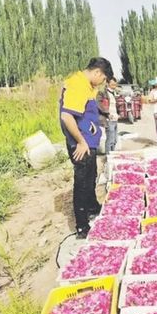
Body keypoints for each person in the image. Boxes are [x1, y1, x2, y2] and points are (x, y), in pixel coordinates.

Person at [60, 57, 114, 239]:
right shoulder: (77, 84)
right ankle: (82, 226)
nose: (103, 83)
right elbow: (67, 116)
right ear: (97, 72)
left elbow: (88, 112)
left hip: (88, 142)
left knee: (91, 175)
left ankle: (92, 207)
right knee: (82, 182)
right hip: (80, 144)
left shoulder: (87, 85)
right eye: (104, 78)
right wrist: (81, 141)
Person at [97, 77, 119, 154]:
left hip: (115, 119)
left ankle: (113, 155)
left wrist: (118, 114)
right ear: (107, 83)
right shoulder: (103, 93)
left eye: (115, 83)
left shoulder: (114, 93)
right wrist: (107, 114)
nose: (114, 85)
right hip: (109, 120)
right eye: (112, 83)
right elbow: (98, 104)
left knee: (115, 140)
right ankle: (108, 157)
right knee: (110, 140)